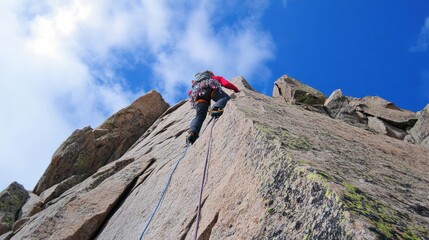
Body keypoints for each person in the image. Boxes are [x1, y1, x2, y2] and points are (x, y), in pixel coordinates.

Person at [187, 70, 240, 144]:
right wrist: (236, 89)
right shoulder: (215, 77)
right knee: (224, 98)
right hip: (211, 88)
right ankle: (216, 108)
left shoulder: (196, 84)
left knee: (199, 116)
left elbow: (190, 93)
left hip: (197, 94)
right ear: (210, 74)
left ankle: (193, 132)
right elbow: (226, 83)